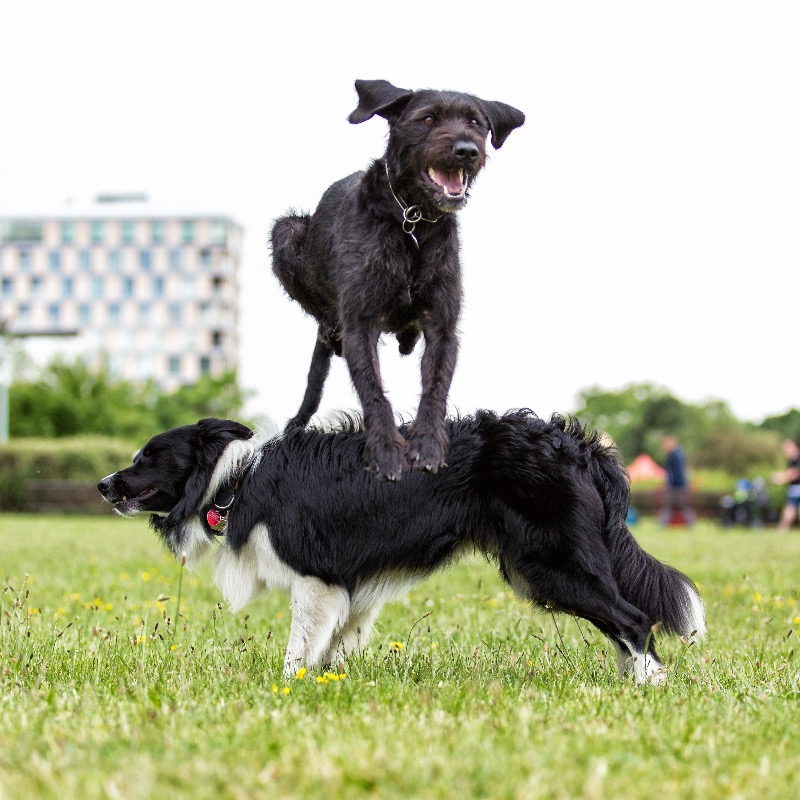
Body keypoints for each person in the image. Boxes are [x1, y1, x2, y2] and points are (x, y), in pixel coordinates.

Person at [659, 435, 695, 526]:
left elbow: (676, 472)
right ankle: (691, 523)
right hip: (679, 485)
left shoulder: (675, 455)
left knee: (673, 505)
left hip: (677, 486)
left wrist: (671, 485)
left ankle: (663, 523)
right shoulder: (678, 453)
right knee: (680, 505)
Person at [771, 438, 800, 532]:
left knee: (790, 509)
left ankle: (782, 529)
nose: (785, 452)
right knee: (790, 508)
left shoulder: (798, 459)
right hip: (794, 489)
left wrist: (780, 478)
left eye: (786, 448)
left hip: (797, 488)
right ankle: (782, 529)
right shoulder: (792, 460)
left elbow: (795, 473)